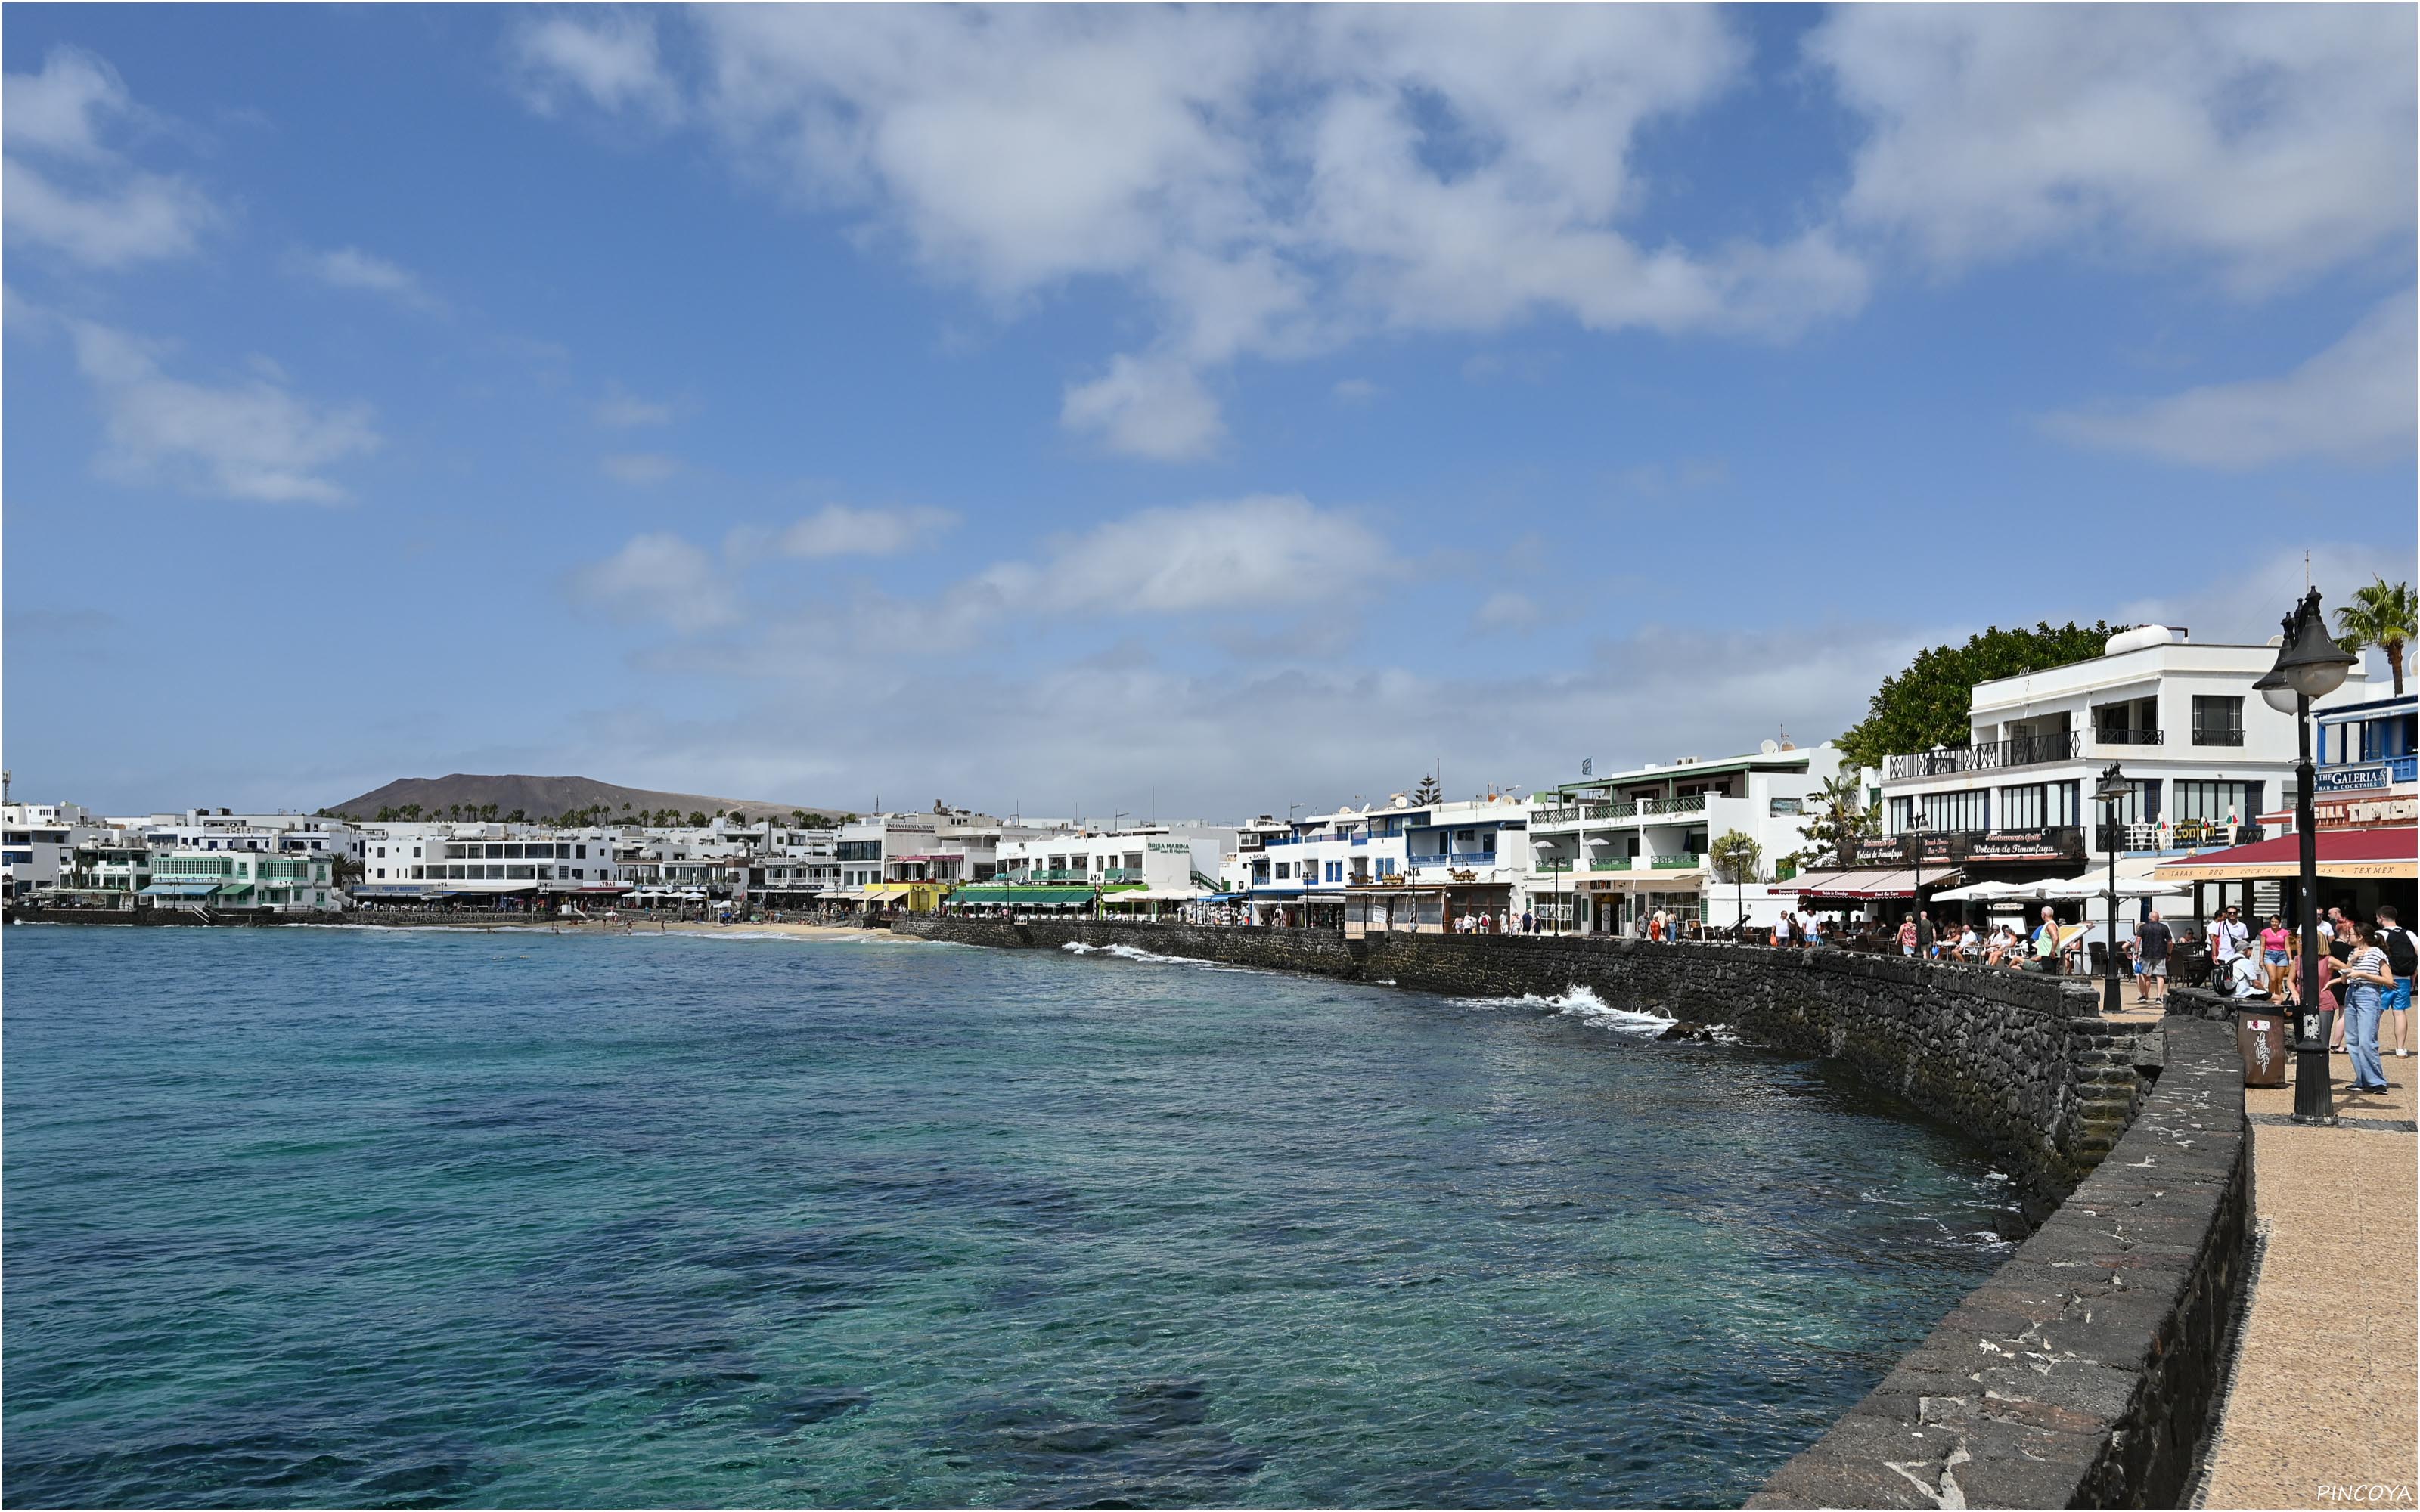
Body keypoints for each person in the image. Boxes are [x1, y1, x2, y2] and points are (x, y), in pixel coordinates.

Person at [2338, 919, 2395, 1095]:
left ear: (2361, 936)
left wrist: (2363, 974)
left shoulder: (2376, 953)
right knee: (2353, 1040)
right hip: (2352, 992)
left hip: (2368, 994)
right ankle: (2362, 1079)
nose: (2349, 937)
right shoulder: (2353, 953)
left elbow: (2388, 980)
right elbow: (2344, 979)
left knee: (2366, 1040)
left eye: (2351, 934)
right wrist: (2350, 964)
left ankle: (2377, 1081)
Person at [2376, 905, 2415, 1059]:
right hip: (2404, 979)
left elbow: (2375, 955)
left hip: (2384, 979)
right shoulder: (2410, 934)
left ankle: (2372, 1045)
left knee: (2376, 1013)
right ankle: (2401, 1049)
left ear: (2381, 918)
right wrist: (2414, 973)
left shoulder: (2380, 934)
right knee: (2400, 1013)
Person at [2133, 910, 2173, 1006]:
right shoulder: (2164, 928)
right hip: (2160, 954)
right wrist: (2169, 953)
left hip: (2146, 954)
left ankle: (2143, 995)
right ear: (2158, 918)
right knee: (2160, 976)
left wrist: (2136, 952)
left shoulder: (2143, 927)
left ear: (2149, 918)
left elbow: (2138, 940)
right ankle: (2159, 997)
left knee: (2143, 974)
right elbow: (2170, 943)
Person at [2260, 915, 2291, 999]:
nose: (2274, 924)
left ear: (2280, 923)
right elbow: (2262, 946)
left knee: (2279, 980)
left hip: (2282, 955)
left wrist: (2290, 958)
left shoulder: (2285, 932)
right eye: (2272, 922)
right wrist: (2261, 960)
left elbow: (2287, 946)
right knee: (2273, 978)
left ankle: (2278, 998)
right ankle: (2270, 997)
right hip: (2269, 955)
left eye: (2276, 922)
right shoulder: (2265, 932)